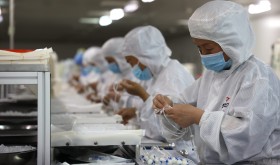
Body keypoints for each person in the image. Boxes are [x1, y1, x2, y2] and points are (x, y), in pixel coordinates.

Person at [152, 1, 280, 164]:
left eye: (209, 49)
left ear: (232, 42)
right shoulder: (211, 75)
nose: (204, 55)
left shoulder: (258, 77)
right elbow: (183, 101)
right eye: (199, 49)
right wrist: (169, 105)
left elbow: (247, 138)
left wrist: (197, 116)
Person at [118, 25, 195, 141]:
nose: (132, 67)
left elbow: (168, 129)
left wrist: (142, 94)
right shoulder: (157, 75)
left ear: (144, 56)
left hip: (180, 152)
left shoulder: (173, 76)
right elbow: (154, 119)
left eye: (131, 61)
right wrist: (136, 113)